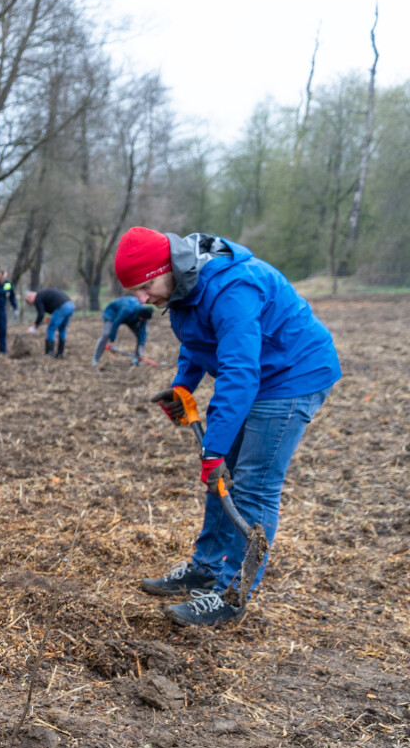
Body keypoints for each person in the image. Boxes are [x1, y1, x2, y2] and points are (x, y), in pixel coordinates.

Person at [116, 226, 340, 627]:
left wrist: (213, 449)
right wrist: (183, 385)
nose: (142, 299)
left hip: (292, 375)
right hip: (256, 373)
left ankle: (231, 594)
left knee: (252, 484)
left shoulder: (232, 287)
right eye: (135, 290)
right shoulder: (183, 285)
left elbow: (239, 370)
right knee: (222, 478)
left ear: (167, 266)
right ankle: (206, 568)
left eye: (146, 285)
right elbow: (197, 340)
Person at [92, 296, 155, 365]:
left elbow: (142, 331)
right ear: (140, 316)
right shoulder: (127, 310)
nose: (143, 321)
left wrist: (141, 345)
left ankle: (137, 359)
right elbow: (115, 324)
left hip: (131, 318)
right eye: (143, 319)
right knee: (107, 333)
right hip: (112, 313)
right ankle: (96, 359)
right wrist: (112, 342)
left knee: (143, 332)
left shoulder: (145, 313)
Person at [25, 287, 74, 357]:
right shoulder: (43, 294)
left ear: (30, 297)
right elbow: (53, 306)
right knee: (62, 329)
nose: (30, 304)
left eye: (28, 302)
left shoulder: (38, 298)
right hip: (70, 305)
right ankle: (60, 353)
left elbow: (41, 313)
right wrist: (52, 317)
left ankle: (49, 353)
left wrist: (35, 325)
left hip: (62, 307)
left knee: (50, 329)